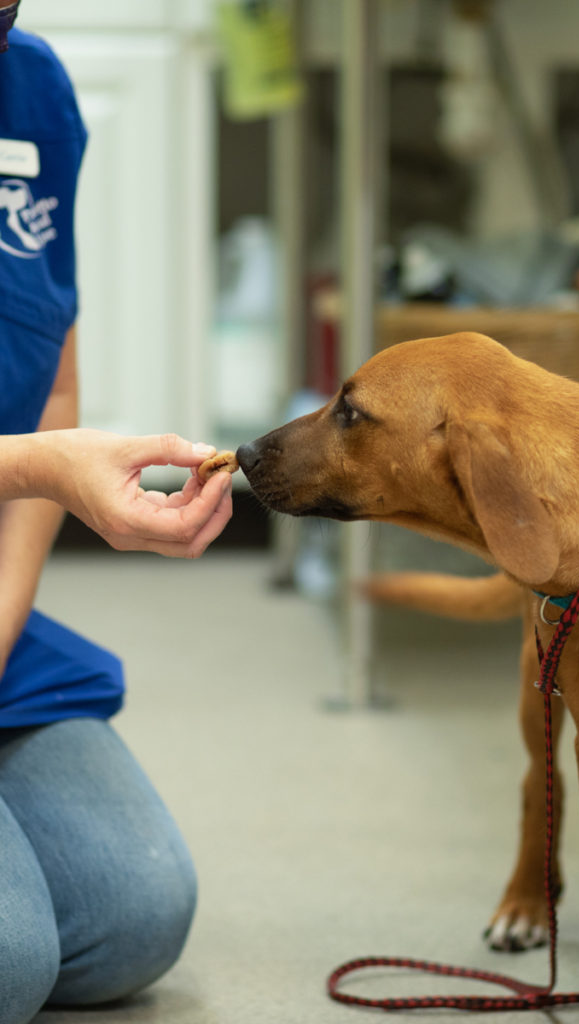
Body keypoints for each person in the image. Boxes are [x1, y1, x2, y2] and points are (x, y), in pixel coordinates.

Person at [0, 6, 233, 1022]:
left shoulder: (32, 89)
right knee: (12, 963)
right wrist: (50, 467)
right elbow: (47, 448)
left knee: (134, 910)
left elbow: (52, 390)